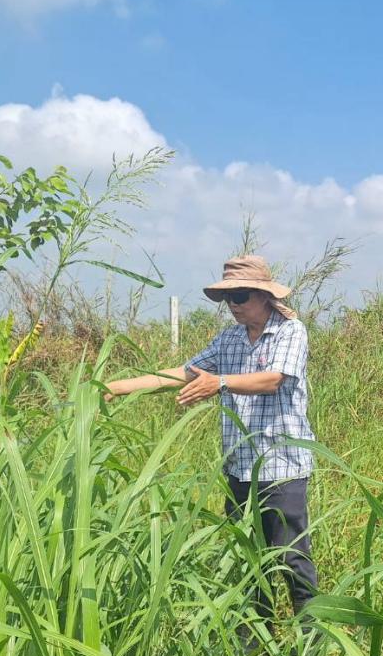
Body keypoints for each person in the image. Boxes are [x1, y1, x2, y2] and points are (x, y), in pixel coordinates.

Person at [104, 255, 318, 627]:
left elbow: (274, 379)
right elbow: (186, 373)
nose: (233, 307)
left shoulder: (290, 331)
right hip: (240, 467)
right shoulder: (229, 339)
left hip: (281, 465)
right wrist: (119, 387)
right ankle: (256, 640)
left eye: (239, 296)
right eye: (227, 299)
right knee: (248, 557)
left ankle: (312, 639)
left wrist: (218, 383)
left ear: (264, 296)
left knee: (291, 557)